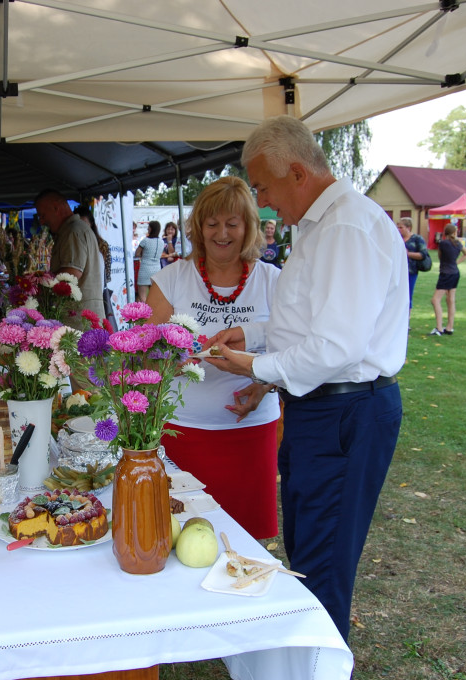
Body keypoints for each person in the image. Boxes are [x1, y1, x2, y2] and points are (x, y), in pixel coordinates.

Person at [204, 115, 407, 642]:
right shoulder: (324, 226)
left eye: (265, 187)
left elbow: (337, 347)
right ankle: (307, 655)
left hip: (345, 408)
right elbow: (312, 323)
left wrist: (254, 366)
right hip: (326, 406)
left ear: (297, 173)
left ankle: (321, 658)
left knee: (324, 558)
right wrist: (251, 335)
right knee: (310, 542)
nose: (264, 202)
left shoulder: (344, 227)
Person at [147, 177, 281, 540]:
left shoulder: (273, 280)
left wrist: (265, 384)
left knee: (247, 540)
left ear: (248, 228)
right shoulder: (171, 278)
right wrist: (168, 361)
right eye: (212, 223)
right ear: (198, 228)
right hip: (182, 433)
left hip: (250, 435)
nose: (222, 233)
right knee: (179, 536)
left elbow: (294, 351)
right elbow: (143, 349)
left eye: (232, 223)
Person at [34, 188, 105, 320]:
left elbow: (70, 274)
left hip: (79, 325)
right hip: (81, 322)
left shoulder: (73, 232)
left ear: (56, 208)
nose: (42, 221)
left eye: (43, 215)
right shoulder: (72, 230)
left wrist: (40, 284)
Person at [429, 223, 466, 336]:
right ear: (454, 233)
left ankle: (439, 328)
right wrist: (456, 263)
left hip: (445, 273)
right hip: (455, 273)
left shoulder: (443, 243)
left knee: (435, 300)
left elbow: (440, 256)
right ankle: (449, 327)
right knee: (450, 299)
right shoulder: (457, 244)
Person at [397, 217, 428, 312]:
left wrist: (408, 254)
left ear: (408, 228)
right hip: (397, 271)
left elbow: (423, 254)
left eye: (401, 227)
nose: (398, 229)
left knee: (407, 294)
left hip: (411, 271)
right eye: (397, 227)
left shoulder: (417, 239)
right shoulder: (397, 238)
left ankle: (407, 319)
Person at [133, 220, 163, 302]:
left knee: (142, 296)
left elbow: (137, 253)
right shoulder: (161, 242)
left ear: (151, 228)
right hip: (157, 269)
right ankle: (154, 312)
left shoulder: (145, 241)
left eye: (148, 227)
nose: (147, 229)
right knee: (154, 296)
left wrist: (143, 255)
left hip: (145, 269)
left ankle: (145, 313)